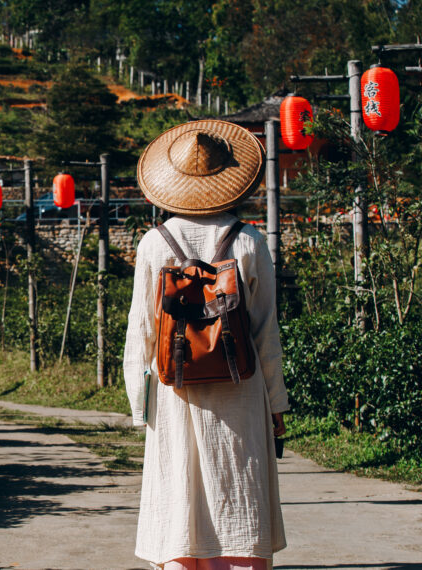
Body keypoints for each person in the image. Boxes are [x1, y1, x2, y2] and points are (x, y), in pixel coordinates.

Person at [123, 119, 290, 570]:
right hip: (240, 386)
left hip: (175, 391)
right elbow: (265, 332)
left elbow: (142, 331)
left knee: (179, 496)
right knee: (238, 491)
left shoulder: (153, 245)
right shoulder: (251, 242)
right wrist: (276, 404)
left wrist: (141, 407)